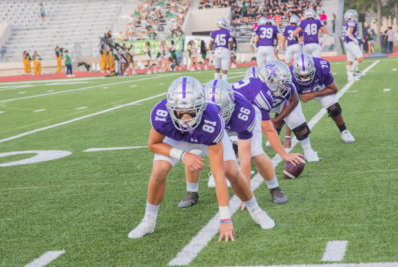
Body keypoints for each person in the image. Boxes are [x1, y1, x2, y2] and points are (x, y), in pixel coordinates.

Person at [128, 76, 275, 241]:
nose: (185, 118)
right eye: (179, 112)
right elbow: (153, 144)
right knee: (159, 169)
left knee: (231, 171)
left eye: (190, 111)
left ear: (201, 106)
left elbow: (218, 174)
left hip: (205, 137)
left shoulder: (212, 120)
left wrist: (225, 218)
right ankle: (148, 221)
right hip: (178, 139)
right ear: (170, 108)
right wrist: (183, 155)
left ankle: (256, 211)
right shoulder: (161, 114)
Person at [178, 79, 290, 208]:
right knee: (193, 152)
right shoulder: (200, 111)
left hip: (238, 121)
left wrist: (246, 194)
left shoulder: (244, 113)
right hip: (211, 122)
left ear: (231, 104)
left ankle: (274, 188)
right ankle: (191, 192)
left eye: (221, 113)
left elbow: (245, 156)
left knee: (256, 153)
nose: (218, 117)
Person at [290, 53, 355, 143]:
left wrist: (313, 94)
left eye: (308, 74)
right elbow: (287, 104)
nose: (305, 77)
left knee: (334, 107)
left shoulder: (321, 68)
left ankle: (344, 131)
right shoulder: (289, 76)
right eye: (301, 75)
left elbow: (334, 89)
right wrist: (287, 137)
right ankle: (277, 132)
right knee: (286, 110)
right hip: (298, 93)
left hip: (318, 88)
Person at [343, 9, 364, 81]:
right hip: (351, 42)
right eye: (355, 16)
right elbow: (349, 33)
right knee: (360, 58)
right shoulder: (352, 22)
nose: (356, 17)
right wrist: (355, 40)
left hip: (347, 43)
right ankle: (351, 71)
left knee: (350, 60)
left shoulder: (346, 23)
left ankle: (350, 76)